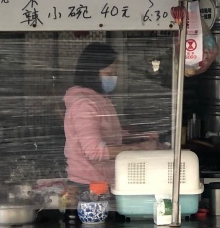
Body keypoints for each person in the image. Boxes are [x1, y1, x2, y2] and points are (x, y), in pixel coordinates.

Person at [63, 43, 159, 186]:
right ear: (92, 72)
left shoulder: (100, 99)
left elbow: (111, 135)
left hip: (104, 181)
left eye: (115, 73)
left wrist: (140, 137)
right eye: (108, 74)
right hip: (87, 185)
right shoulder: (84, 104)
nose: (113, 78)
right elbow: (94, 152)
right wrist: (139, 149)